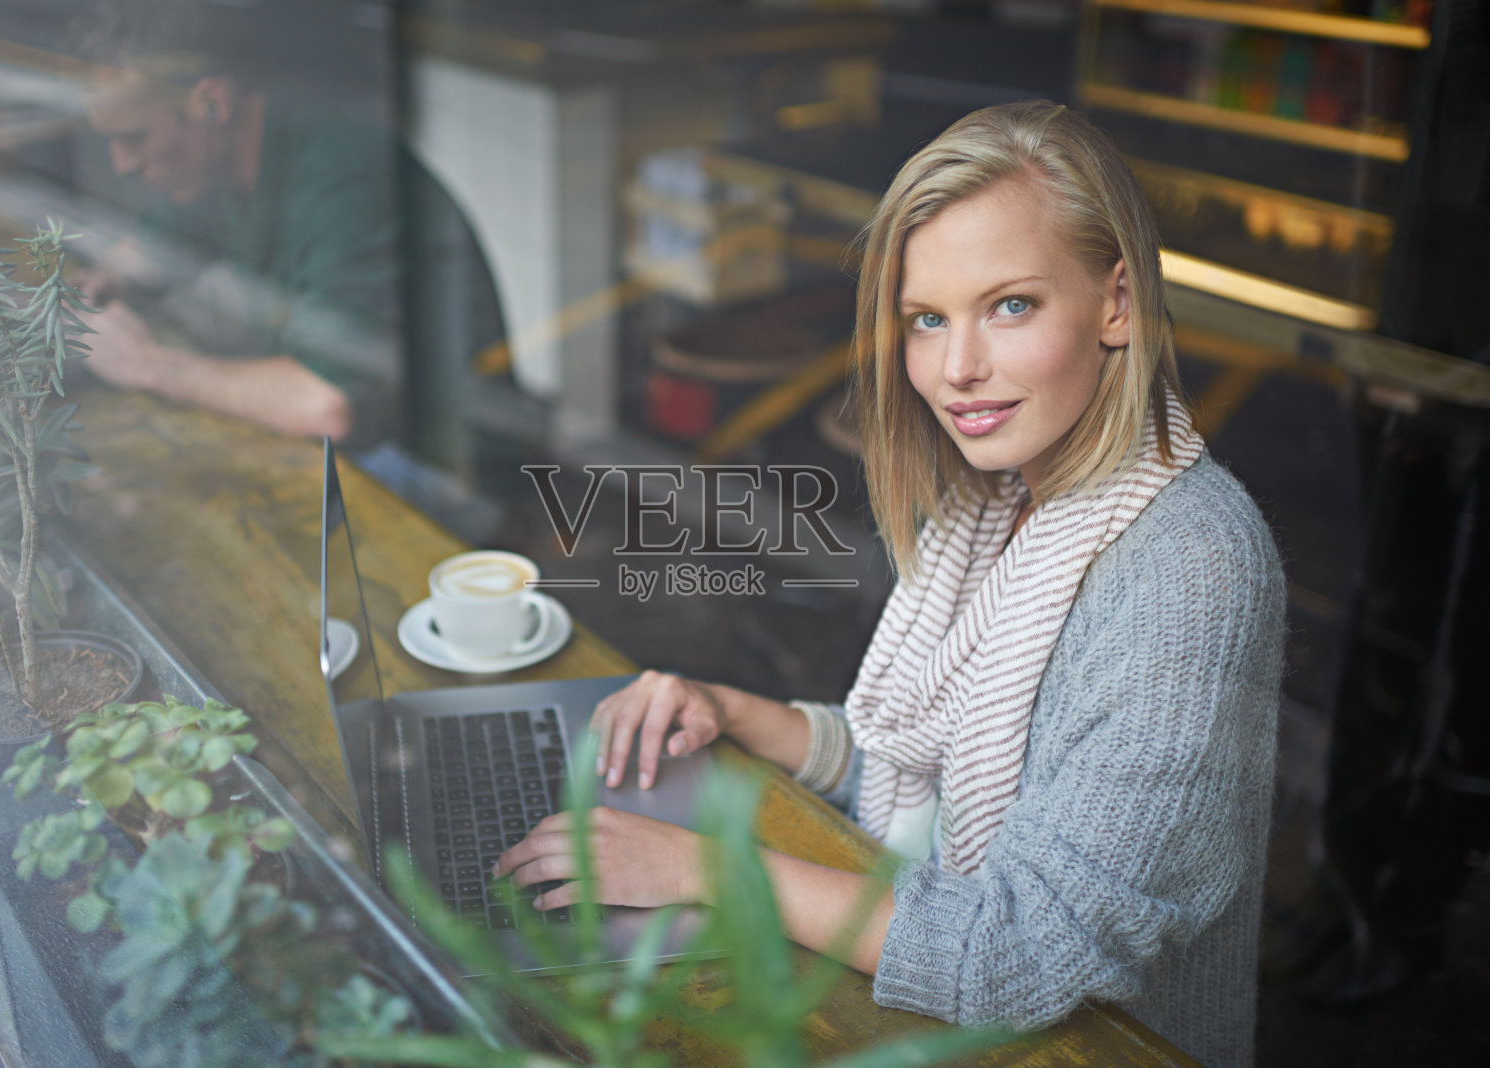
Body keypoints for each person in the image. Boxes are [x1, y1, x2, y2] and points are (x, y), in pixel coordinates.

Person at [494, 101, 1285, 1068]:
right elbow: (924, 772)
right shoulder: (999, 500)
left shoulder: (1190, 569)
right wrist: (742, 713)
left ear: (1117, 303)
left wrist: (700, 867)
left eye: (1011, 305)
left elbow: (1024, 952)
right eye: (926, 320)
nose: (957, 370)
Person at [71, 2, 401, 446]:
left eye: (134, 138)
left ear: (212, 103)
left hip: (439, 477)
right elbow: (147, 249)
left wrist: (144, 363)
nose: (122, 165)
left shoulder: (343, 178)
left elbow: (324, 403)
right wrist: (100, 285)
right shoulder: (219, 164)